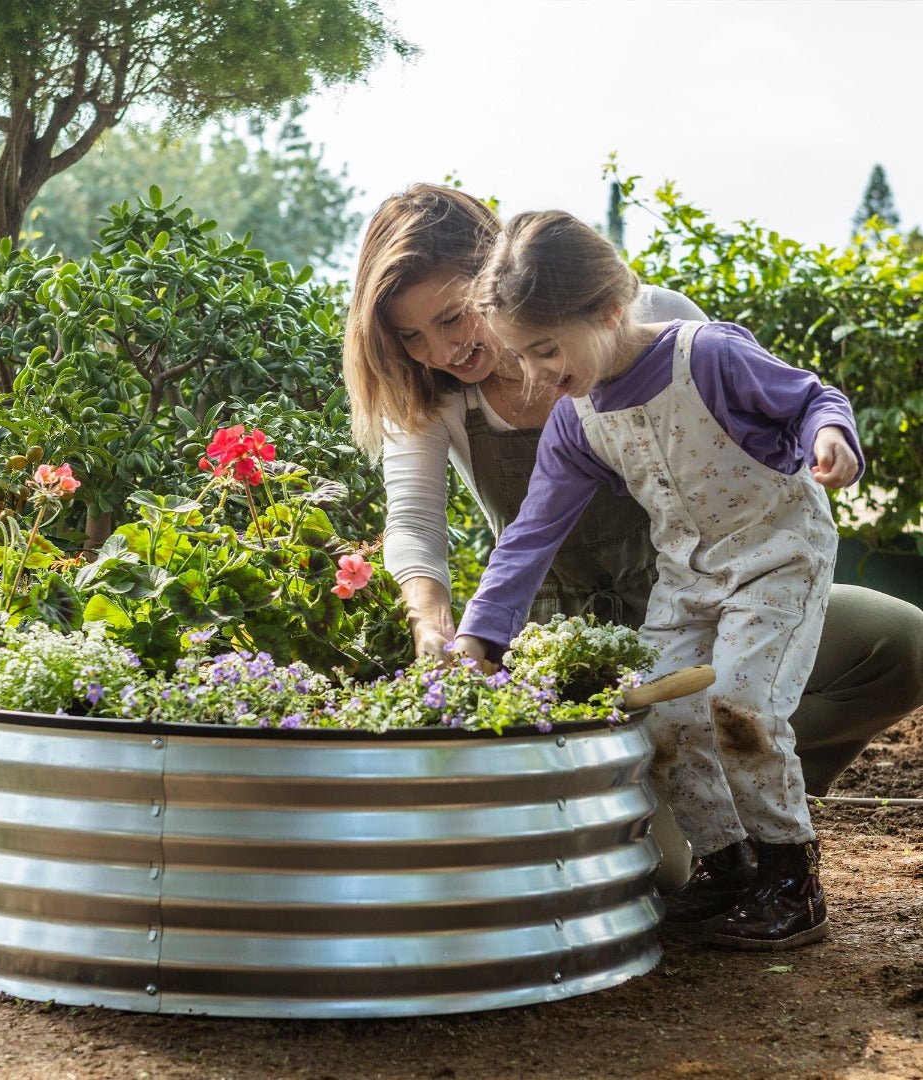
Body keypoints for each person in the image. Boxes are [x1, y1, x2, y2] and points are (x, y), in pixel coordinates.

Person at [341, 182, 923, 902]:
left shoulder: (660, 331)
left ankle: (764, 806)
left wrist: (823, 444)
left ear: (496, 278)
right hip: (581, 636)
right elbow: (451, 528)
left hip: (707, 592)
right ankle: (711, 807)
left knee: (895, 643)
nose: (442, 351)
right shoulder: (446, 398)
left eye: (455, 317)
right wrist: (447, 630)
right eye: (412, 336)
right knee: (658, 879)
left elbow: (754, 415)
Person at [449, 208, 866, 949]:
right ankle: (729, 867)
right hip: (688, 577)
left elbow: (810, 399)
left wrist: (830, 438)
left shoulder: (706, 355)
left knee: (740, 706)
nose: (539, 375)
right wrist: (481, 632)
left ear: (609, 309)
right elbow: (532, 532)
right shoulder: (577, 420)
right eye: (524, 358)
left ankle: (790, 880)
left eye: (547, 350)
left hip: (777, 556)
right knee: (663, 718)